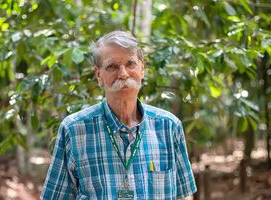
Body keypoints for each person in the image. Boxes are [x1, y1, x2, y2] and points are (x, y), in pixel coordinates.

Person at [41, 31, 197, 199]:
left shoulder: (169, 126)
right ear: (99, 75)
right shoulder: (73, 130)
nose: (123, 73)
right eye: (112, 66)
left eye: (130, 64)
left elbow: (184, 196)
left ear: (142, 69)